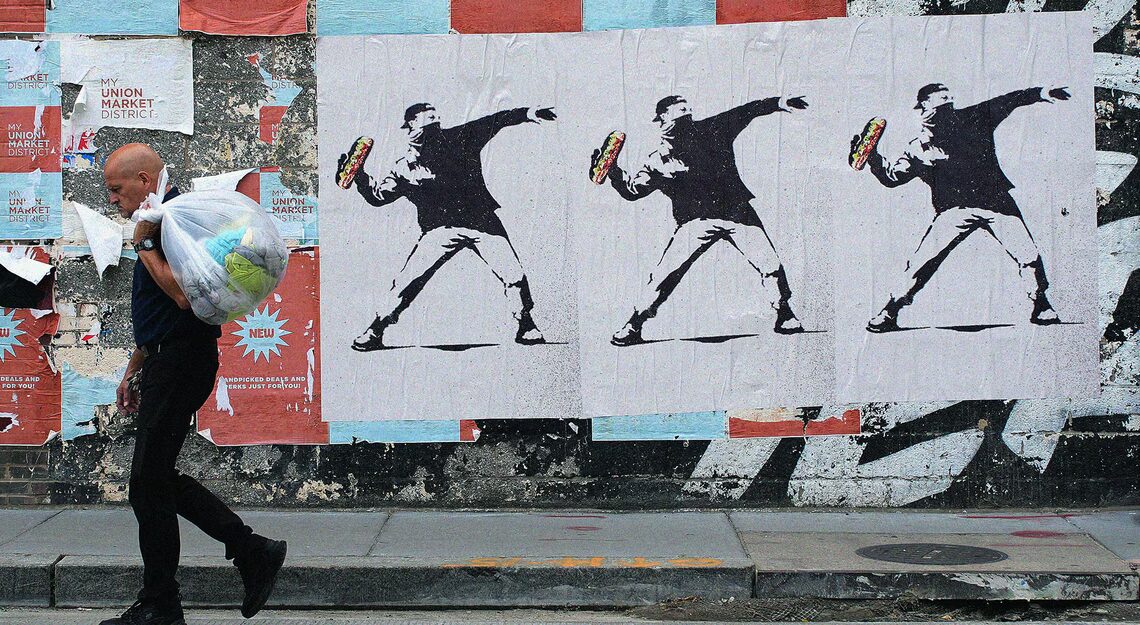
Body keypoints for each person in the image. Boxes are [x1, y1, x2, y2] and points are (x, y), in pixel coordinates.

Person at [104, 143, 286, 625]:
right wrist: (135, 366)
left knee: (147, 483)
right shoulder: (158, 221)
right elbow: (158, 309)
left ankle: (165, 601)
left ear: (145, 181)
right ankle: (248, 552)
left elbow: (183, 297)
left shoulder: (172, 224)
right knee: (153, 480)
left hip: (182, 362)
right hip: (167, 360)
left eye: (117, 189)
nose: (113, 200)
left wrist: (144, 245)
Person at [855, 83, 1069, 332]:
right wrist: (872, 157)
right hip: (954, 210)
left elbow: (1008, 99)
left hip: (996, 204)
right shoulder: (917, 148)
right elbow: (892, 178)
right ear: (923, 106)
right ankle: (890, 311)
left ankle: (1041, 304)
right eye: (940, 100)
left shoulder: (975, 117)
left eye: (949, 100)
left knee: (1028, 254)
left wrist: (1041, 93)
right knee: (922, 263)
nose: (947, 103)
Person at [341, 103, 556, 351]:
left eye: (436, 118)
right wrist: (359, 176)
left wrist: (528, 113)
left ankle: (526, 324)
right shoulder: (403, 167)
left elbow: (496, 120)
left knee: (513, 274)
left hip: (482, 223)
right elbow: (378, 197)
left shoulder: (461, 137)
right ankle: (375, 330)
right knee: (408, 281)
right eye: (428, 117)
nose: (435, 120)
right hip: (440, 230)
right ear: (411, 124)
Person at [598, 95, 809, 346]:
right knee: (665, 275)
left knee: (769, 263)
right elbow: (633, 191)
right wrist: (613, 171)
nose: (686, 113)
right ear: (662, 118)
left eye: (687, 111)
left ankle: (784, 313)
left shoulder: (714, 128)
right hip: (695, 222)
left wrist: (779, 102)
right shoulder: (657, 160)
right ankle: (635, 324)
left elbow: (747, 110)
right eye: (679, 110)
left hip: (737, 214)